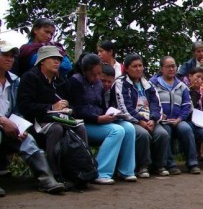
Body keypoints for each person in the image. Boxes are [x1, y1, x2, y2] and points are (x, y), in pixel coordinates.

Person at [17, 46, 89, 185]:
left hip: (60, 118)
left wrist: (67, 107)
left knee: (80, 127)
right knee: (56, 129)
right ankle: (54, 174)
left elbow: (72, 105)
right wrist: (50, 107)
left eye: (59, 59)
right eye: (53, 59)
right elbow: (24, 106)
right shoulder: (30, 77)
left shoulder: (60, 80)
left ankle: (82, 170)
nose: (57, 62)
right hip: (36, 121)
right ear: (42, 61)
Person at [0, 45, 65, 195]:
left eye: (12, 56)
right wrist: (3, 121)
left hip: (10, 125)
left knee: (27, 140)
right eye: (5, 55)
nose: (10, 59)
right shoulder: (31, 77)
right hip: (3, 124)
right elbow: (26, 105)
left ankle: (47, 180)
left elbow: (17, 108)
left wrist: (18, 126)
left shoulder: (14, 80)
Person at [67, 53, 137, 184]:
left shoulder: (98, 83)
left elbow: (102, 106)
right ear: (85, 71)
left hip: (100, 120)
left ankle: (126, 171)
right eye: (94, 74)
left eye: (99, 73)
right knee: (117, 131)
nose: (97, 77)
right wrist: (98, 119)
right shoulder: (75, 81)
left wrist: (113, 114)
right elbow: (75, 110)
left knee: (128, 128)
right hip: (83, 124)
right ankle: (100, 172)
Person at [110, 53, 170, 178]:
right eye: (134, 66)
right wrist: (141, 121)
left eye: (140, 66)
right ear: (126, 69)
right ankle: (143, 166)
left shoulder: (148, 85)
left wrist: (153, 119)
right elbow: (124, 107)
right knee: (142, 134)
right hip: (130, 120)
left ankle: (159, 166)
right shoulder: (120, 83)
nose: (138, 69)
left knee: (162, 134)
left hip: (150, 120)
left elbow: (156, 104)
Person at [150, 56, 201, 174]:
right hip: (161, 120)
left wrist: (179, 119)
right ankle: (170, 164)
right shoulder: (153, 84)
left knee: (187, 129)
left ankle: (192, 163)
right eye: (168, 66)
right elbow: (151, 102)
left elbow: (187, 105)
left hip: (178, 119)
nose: (171, 69)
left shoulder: (181, 86)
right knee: (166, 132)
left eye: (173, 66)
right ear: (161, 68)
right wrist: (160, 116)